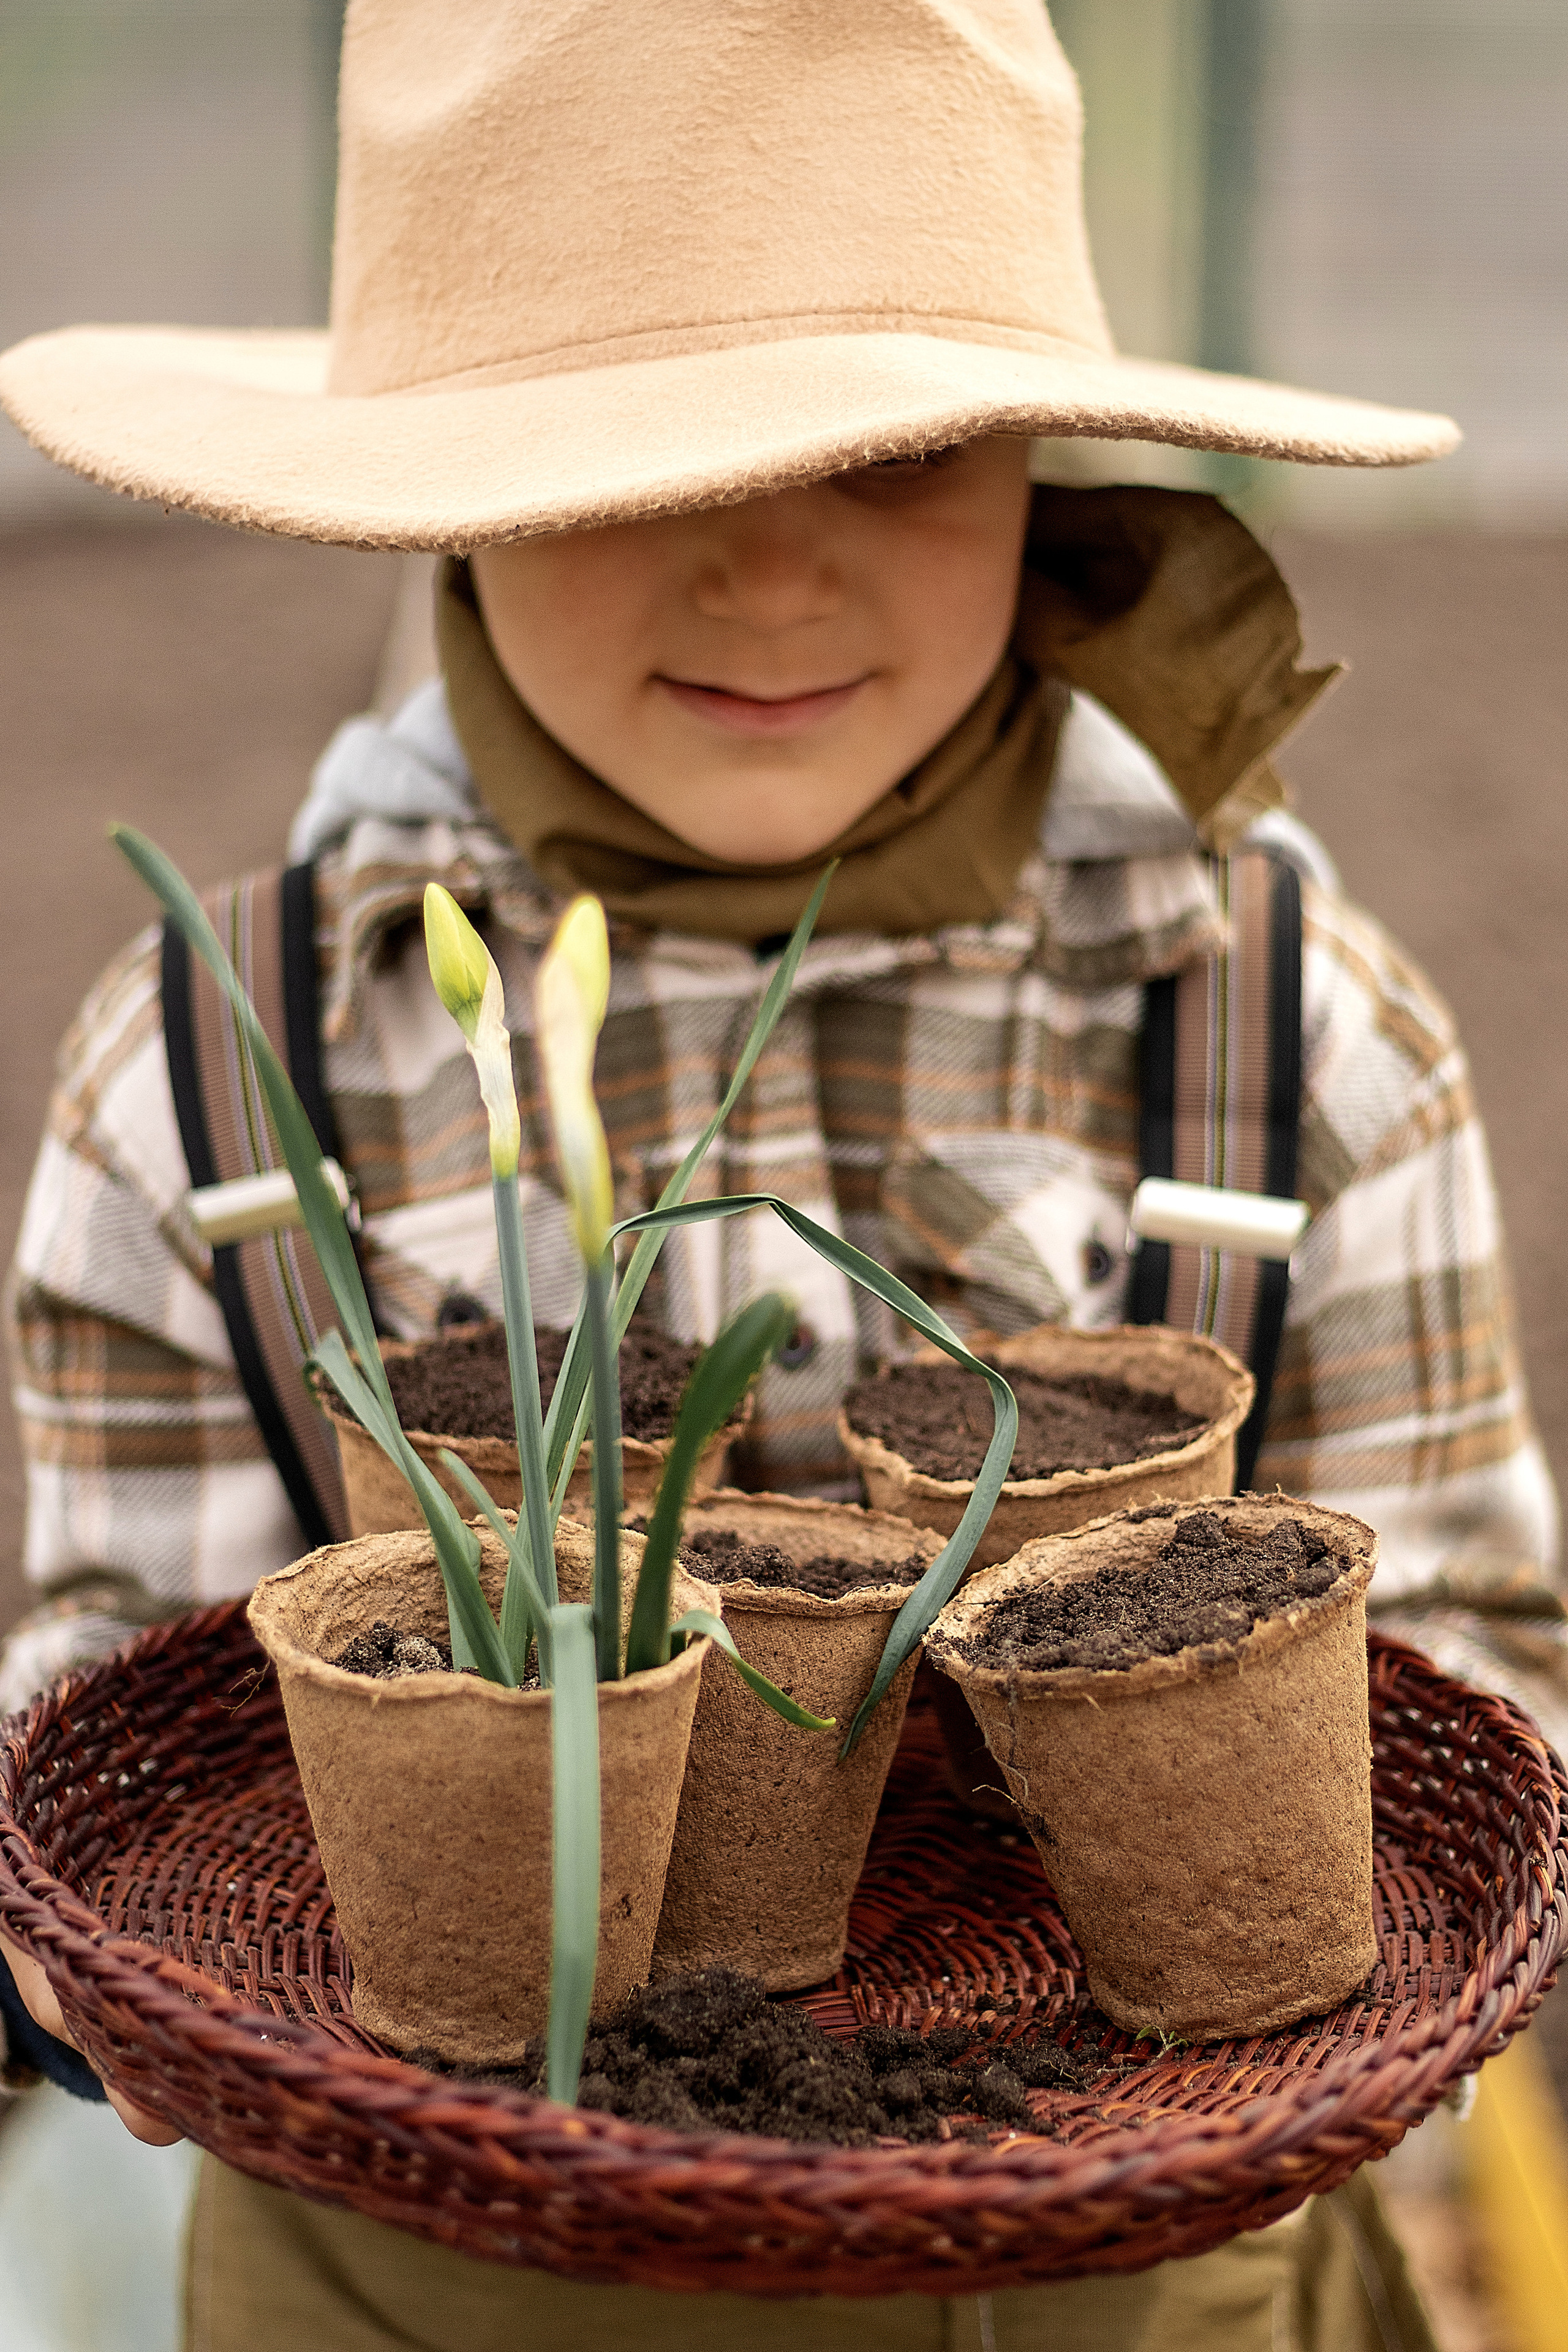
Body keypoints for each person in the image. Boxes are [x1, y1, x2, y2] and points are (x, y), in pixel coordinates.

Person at [0, 2, 1558, 2345]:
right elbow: (103, 1729)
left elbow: (1475, 1676)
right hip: (419, 2291)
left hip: (1166, 2293)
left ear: (1044, 455)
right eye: (638, 461)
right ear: (442, 476)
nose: (763, 567)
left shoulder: (1285, 1023)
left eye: (901, 448)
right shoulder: (224, 1075)